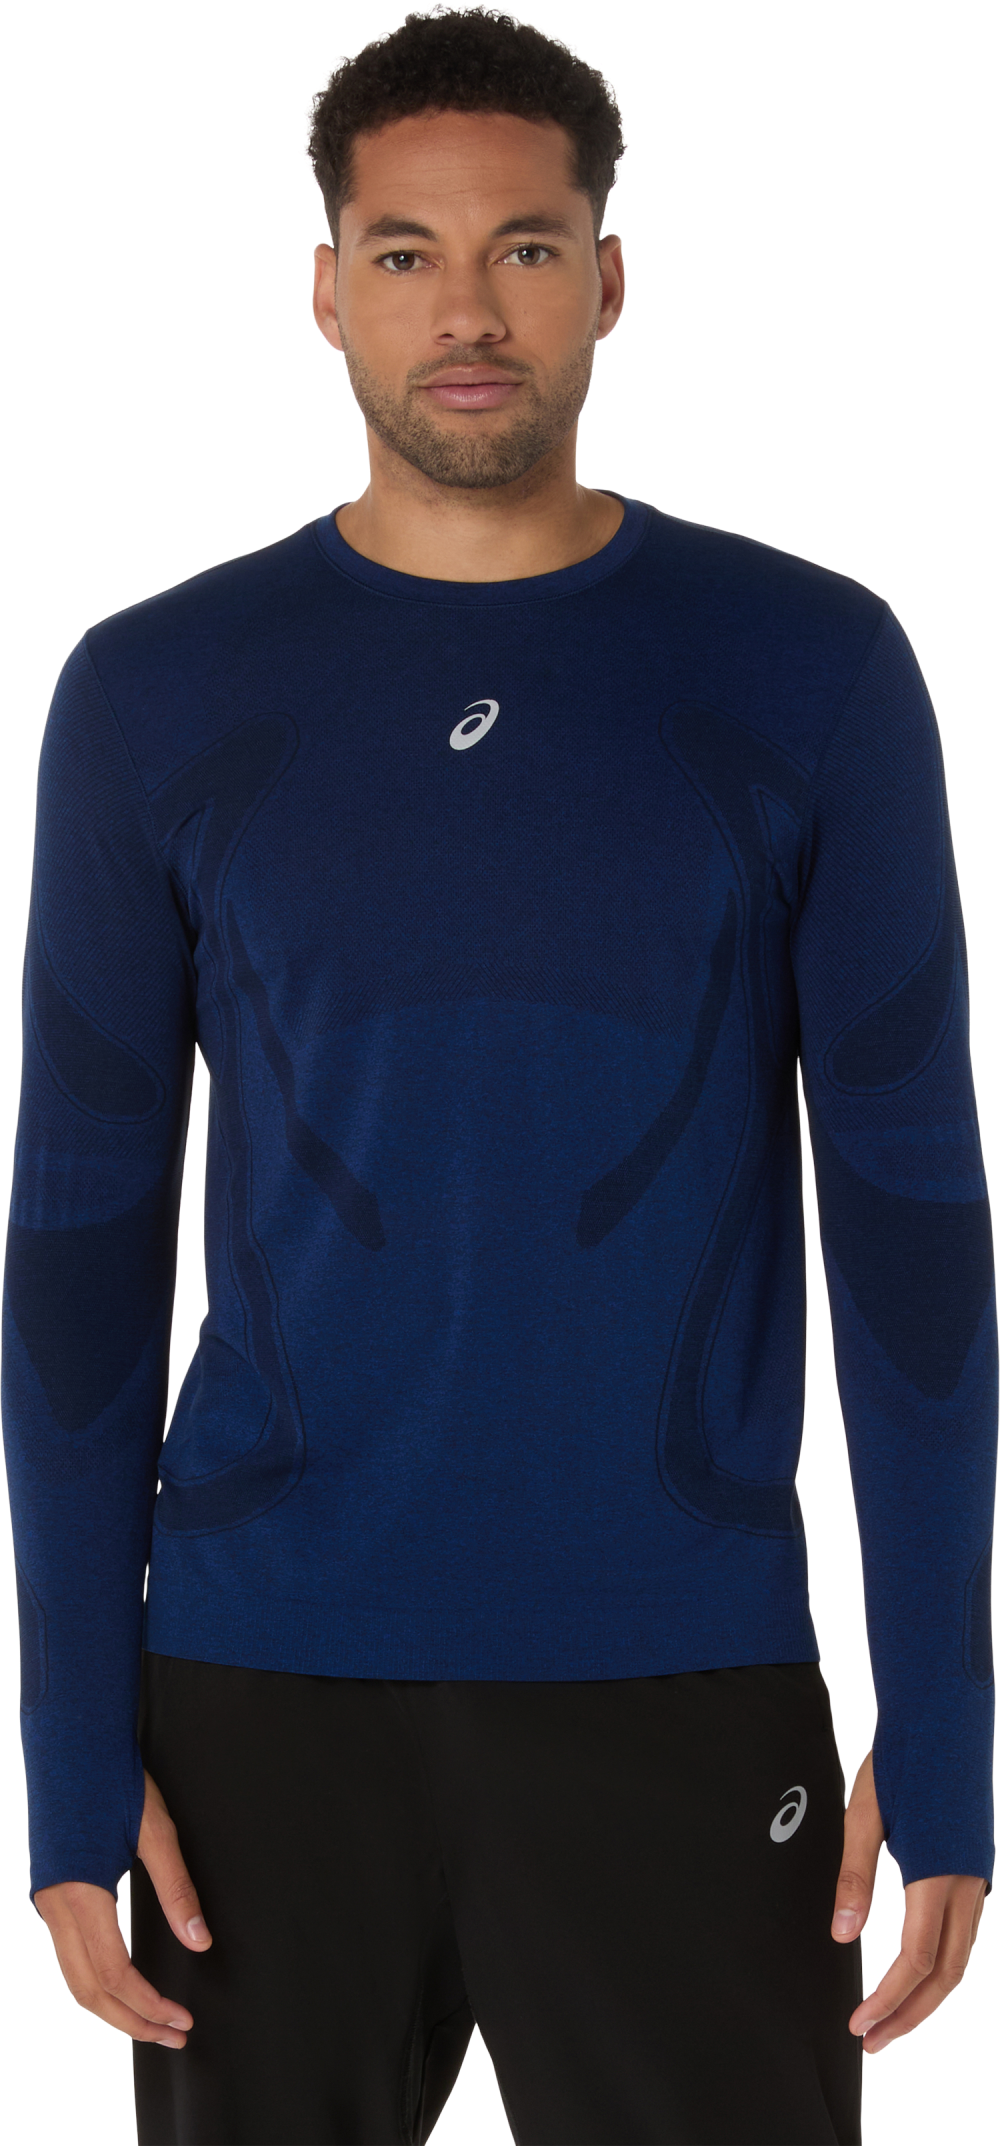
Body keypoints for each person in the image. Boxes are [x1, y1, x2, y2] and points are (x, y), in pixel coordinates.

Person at [4, 6, 994, 2141]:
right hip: (260, 1697)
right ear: (326, 289)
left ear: (606, 278)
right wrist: (72, 1749)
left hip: (681, 1672)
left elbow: (912, 1232)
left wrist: (943, 1712)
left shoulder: (806, 664)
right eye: (406, 251)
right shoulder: (155, 689)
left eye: (523, 248)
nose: (467, 308)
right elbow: (79, 1249)